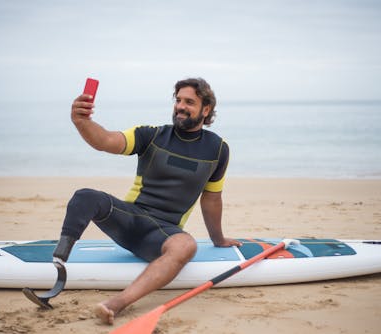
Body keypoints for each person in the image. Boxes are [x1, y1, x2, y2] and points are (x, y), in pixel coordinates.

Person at [52, 77, 241, 325]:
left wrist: (218, 239)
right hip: (129, 219)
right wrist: (81, 121)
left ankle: (116, 304)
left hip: (162, 233)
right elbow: (106, 141)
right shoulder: (151, 135)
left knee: (186, 246)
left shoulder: (218, 150)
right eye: (178, 100)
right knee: (85, 197)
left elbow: (212, 198)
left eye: (189, 102)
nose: (180, 106)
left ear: (206, 110)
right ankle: (58, 263)